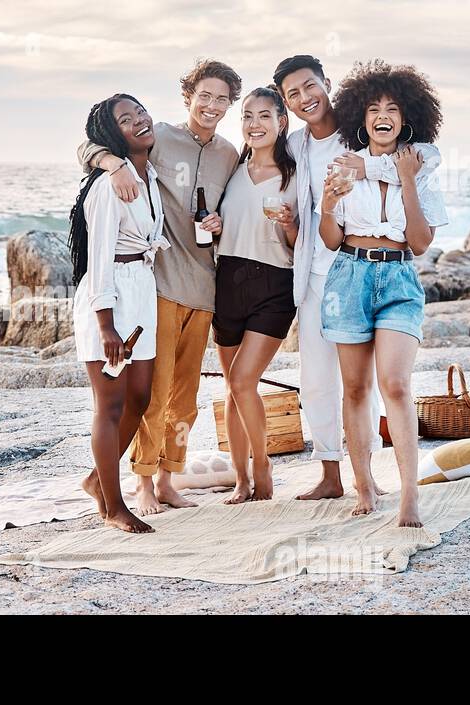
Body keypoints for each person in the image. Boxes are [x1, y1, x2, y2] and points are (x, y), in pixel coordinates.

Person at [272, 54, 441, 502]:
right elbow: (326, 227)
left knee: (389, 384)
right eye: (293, 94)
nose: (305, 98)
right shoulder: (295, 145)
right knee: (327, 381)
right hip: (330, 272)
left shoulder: (376, 146)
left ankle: (394, 486)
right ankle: (338, 475)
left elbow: (424, 159)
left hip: (389, 273)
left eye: (310, 86)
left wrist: (376, 170)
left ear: (327, 84)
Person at [77, 59, 242, 515]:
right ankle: (142, 483)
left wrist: (221, 221)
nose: (211, 105)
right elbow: (89, 145)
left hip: (203, 288)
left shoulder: (230, 153)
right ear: (188, 96)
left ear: (231, 104)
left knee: (184, 399)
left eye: (222, 98)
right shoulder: (159, 137)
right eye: (203, 95)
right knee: (153, 394)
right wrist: (112, 163)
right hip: (159, 286)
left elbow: (240, 204)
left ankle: (169, 478)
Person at [316, 60, 449, 527]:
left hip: (398, 278)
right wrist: (329, 205)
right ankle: (365, 485)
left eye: (392, 107)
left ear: (407, 115)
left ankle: (410, 494)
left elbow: (419, 242)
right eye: (373, 108)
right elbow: (330, 238)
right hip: (349, 275)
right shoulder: (342, 166)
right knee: (355, 388)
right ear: (361, 117)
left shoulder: (423, 166)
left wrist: (406, 179)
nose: (382, 115)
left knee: (395, 384)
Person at [70, 93, 170, 534]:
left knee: (141, 398)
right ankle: (113, 506)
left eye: (140, 112)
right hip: (109, 296)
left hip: (140, 290)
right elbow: (99, 257)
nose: (139, 121)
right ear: (113, 134)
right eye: (126, 120)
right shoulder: (109, 185)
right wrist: (106, 325)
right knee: (109, 405)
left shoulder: (145, 172)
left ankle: (97, 480)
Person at [206, 86, 299, 503]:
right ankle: (241, 478)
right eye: (246, 116)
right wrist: (214, 226)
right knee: (232, 387)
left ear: (282, 122)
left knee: (244, 380)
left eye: (264, 116)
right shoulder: (231, 171)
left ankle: (263, 464)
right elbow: (226, 226)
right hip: (227, 280)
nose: (254, 124)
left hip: (274, 285)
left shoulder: (296, 176)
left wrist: (291, 224)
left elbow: (302, 245)